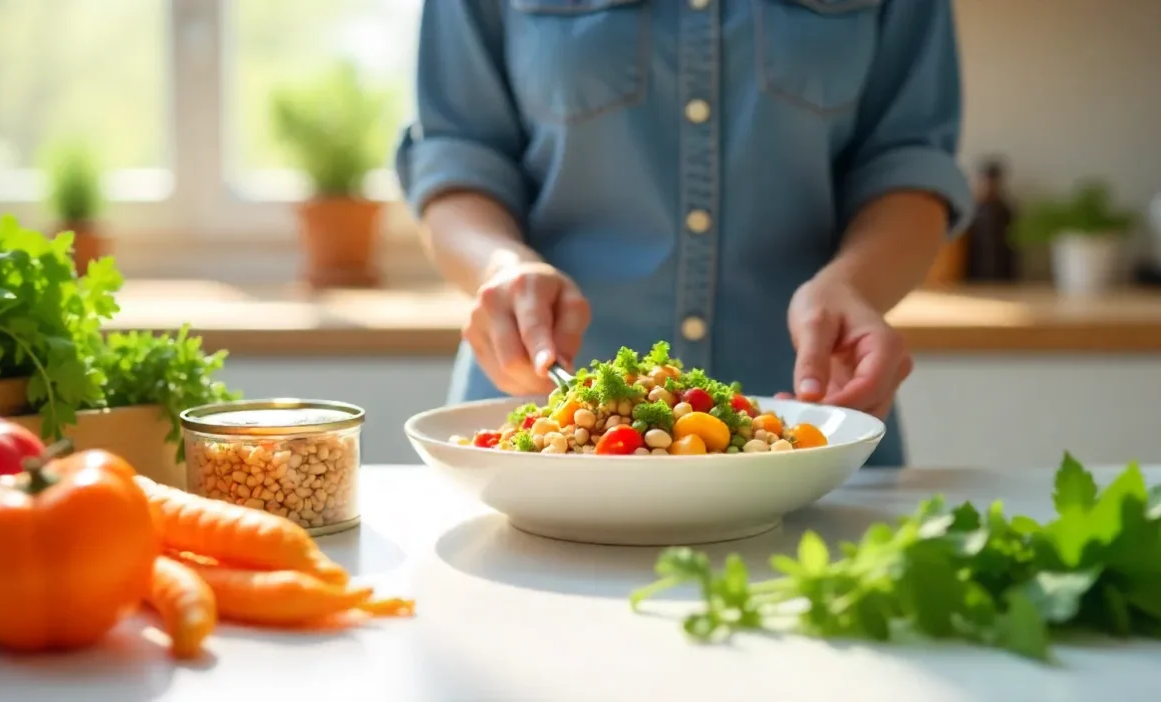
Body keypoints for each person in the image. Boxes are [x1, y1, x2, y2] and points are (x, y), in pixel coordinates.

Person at [394, 0, 972, 467]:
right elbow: (457, 156)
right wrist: (500, 266)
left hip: (813, 423)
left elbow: (909, 160)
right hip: (539, 421)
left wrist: (858, 285)